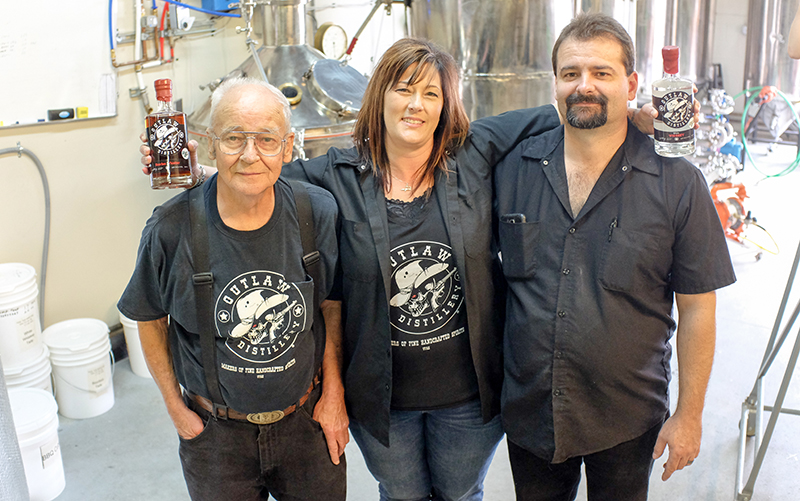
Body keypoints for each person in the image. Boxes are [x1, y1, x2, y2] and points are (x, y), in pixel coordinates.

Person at [139, 38, 662, 501]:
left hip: (469, 395)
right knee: (402, 493)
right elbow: (261, 171)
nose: (416, 104)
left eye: (431, 94)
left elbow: (564, 111)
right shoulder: (336, 174)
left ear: (445, 105)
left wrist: (637, 114)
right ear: (380, 97)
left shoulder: (476, 152)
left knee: (460, 491)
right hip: (382, 399)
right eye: (403, 89)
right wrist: (198, 163)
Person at [493, 13, 736, 501]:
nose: (585, 86)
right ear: (555, 84)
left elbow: (697, 308)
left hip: (626, 418)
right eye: (570, 74)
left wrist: (689, 415)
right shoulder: (512, 169)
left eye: (601, 73)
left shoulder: (677, 183)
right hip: (531, 409)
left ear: (631, 84)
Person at [119, 78, 347, 501]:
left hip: (307, 424)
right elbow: (149, 317)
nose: (249, 155)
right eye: (234, 138)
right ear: (209, 144)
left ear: (288, 144)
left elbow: (331, 304)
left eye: (265, 139)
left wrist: (333, 395)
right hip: (215, 437)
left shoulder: (317, 212)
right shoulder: (170, 229)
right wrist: (177, 411)